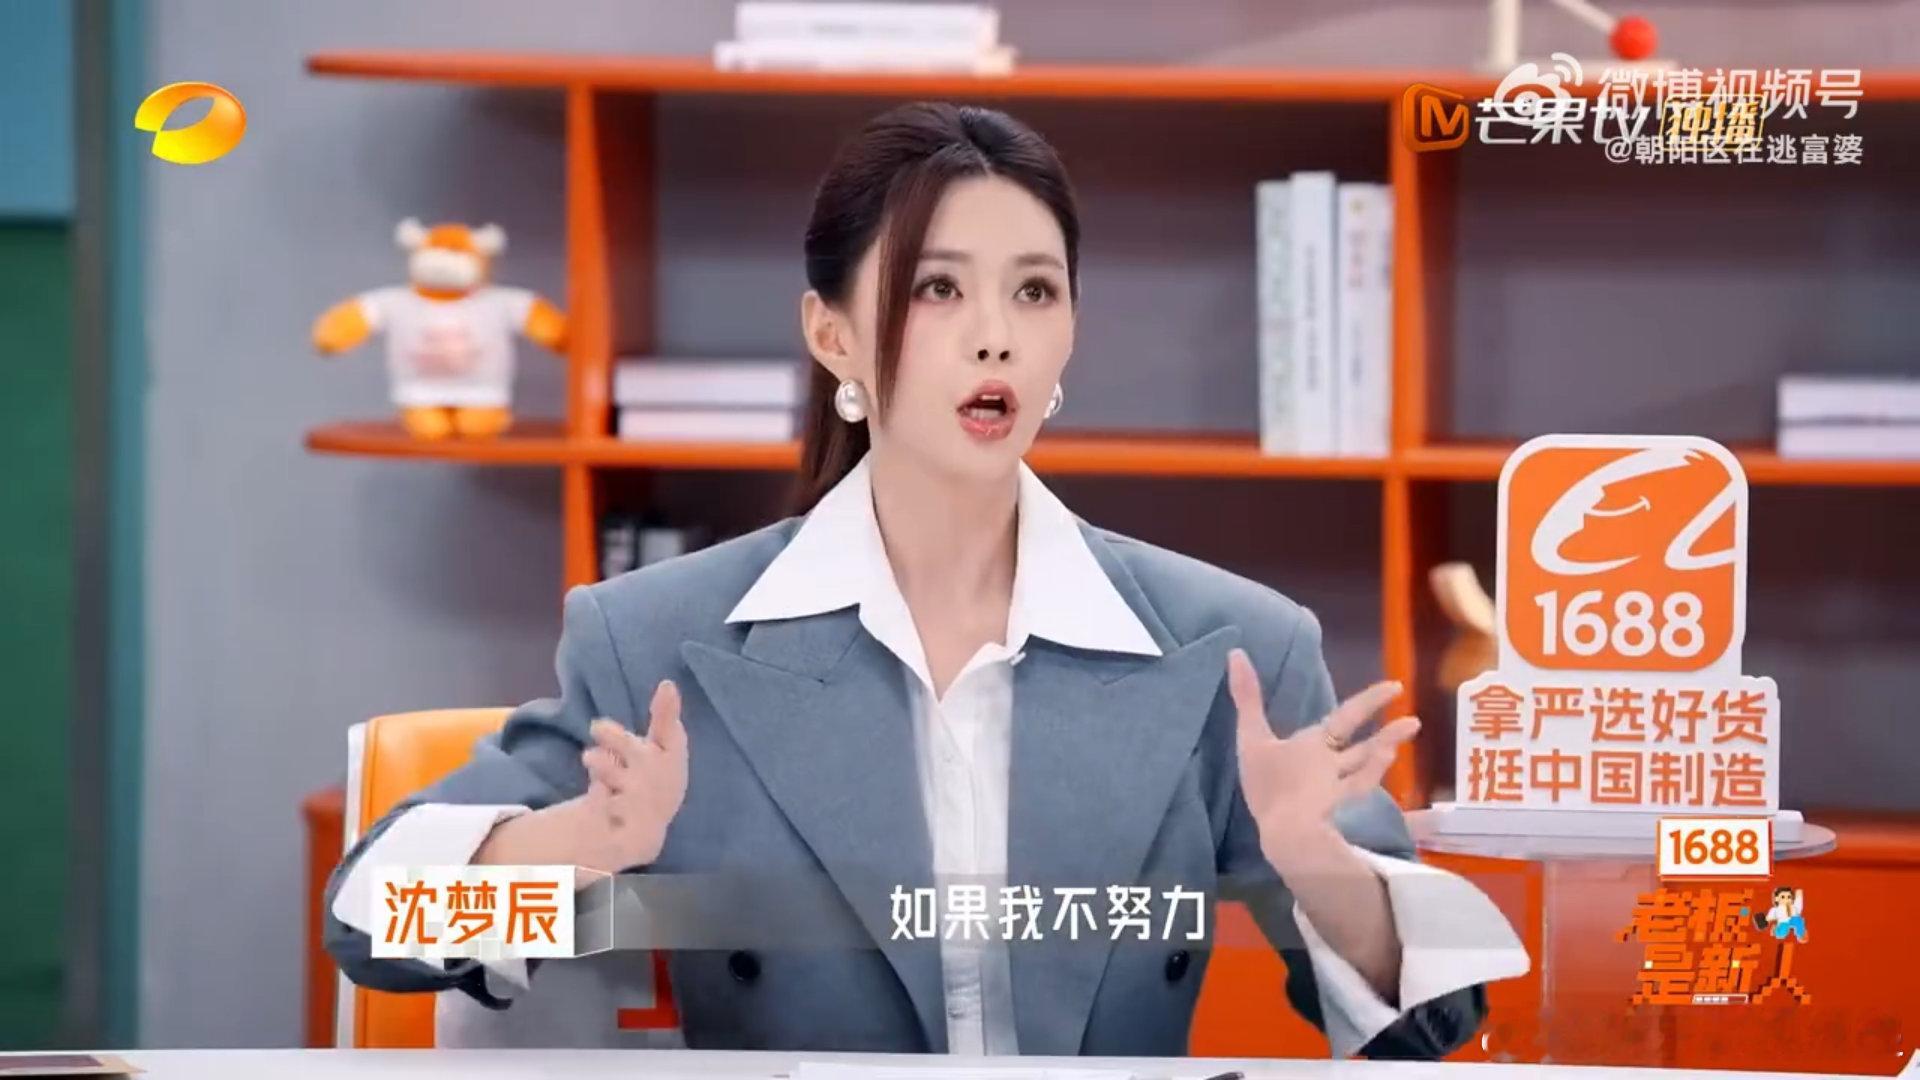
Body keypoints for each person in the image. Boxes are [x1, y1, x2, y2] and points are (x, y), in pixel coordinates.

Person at [326, 101, 1527, 1060]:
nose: (994, 333)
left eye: (1034, 290)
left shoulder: (1233, 647)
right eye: (938, 287)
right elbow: (378, 925)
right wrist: (578, 843)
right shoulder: (657, 637)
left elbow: (1434, 1028)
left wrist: (1317, 867)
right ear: (832, 334)